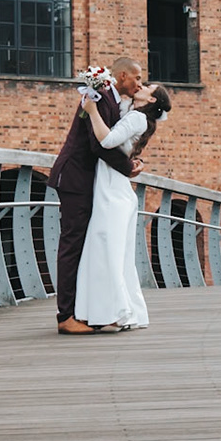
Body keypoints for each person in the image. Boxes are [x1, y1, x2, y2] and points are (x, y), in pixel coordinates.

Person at [50, 57, 145, 335]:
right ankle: (65, 316)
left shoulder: (110, 100)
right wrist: (128, 169)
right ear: (123, 76)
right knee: (73, 246)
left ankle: (86, 312)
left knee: (85, 246)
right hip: (75, 179)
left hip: (85, 180)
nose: (139, 84)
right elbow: (99, 145)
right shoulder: (102, 98)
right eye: (137, 78)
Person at [75, 83, 172, 330]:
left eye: (148, 87)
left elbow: (108, 141)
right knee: (112, 251)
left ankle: (117, 314)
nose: (142, 85)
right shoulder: (134, 112)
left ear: (151, 100)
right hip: (113, 185)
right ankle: (119, 311)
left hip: (113, 190)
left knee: (109, 251)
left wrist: (91, 110)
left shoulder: (138, 117)